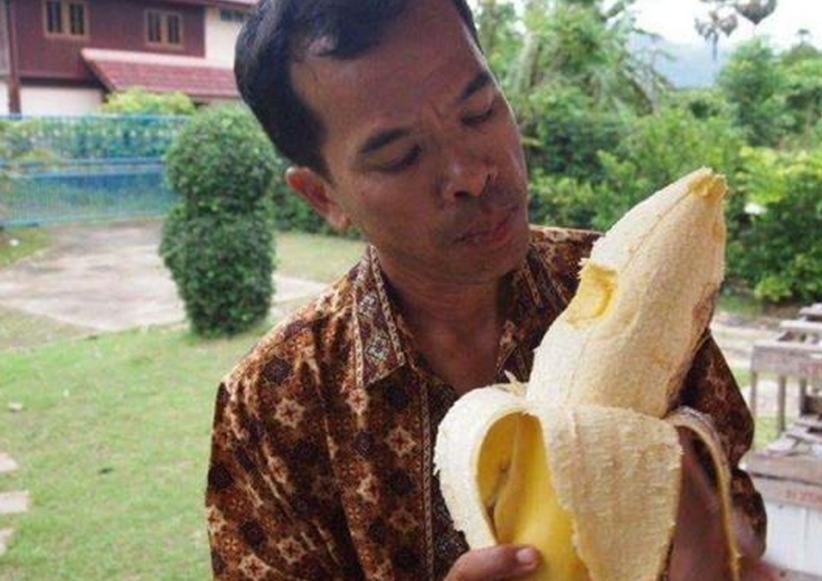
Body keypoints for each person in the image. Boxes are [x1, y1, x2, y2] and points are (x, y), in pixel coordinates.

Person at [205, 0, 769, 578]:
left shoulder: (631, 289)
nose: (472, 175)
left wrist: (726, 547)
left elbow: (735, 500)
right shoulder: (273, 405)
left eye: (478, 112)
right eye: (400, 156)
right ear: (323, 195)